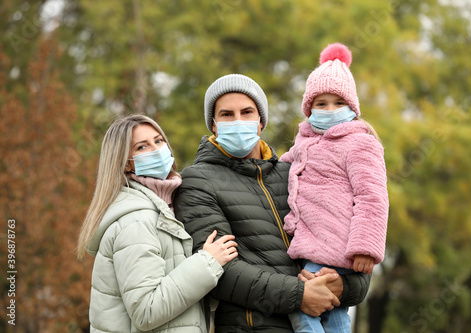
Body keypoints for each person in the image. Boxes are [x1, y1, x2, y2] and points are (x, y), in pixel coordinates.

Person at [173, 74, 371, 333]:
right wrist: (301, 295)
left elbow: (345, 244)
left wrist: (343, 286)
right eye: (227, 115)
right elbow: (219, 272)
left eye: (247, 112)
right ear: (213, 124)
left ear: (260, 122)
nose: (238, 121)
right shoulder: (197, 181)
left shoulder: (293, 173)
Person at [76, 114, 238, 333]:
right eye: (142, 147)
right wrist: (207, 263)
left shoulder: (168, 210)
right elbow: (146, 311)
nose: (156, 149)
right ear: (125, 164)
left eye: (159, 140)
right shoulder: (136, 221)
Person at [281, 43, 389, 333]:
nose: (330, 110)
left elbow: (372, 197)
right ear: (309, 108)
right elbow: (284, 165)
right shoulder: (303, 142)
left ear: (352, 107)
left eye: (338, 103)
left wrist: (366, 247)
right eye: (321, 103)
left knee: (302, 311)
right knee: (335, 314)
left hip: (336, 246)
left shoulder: (359, 143)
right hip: (310, 244)